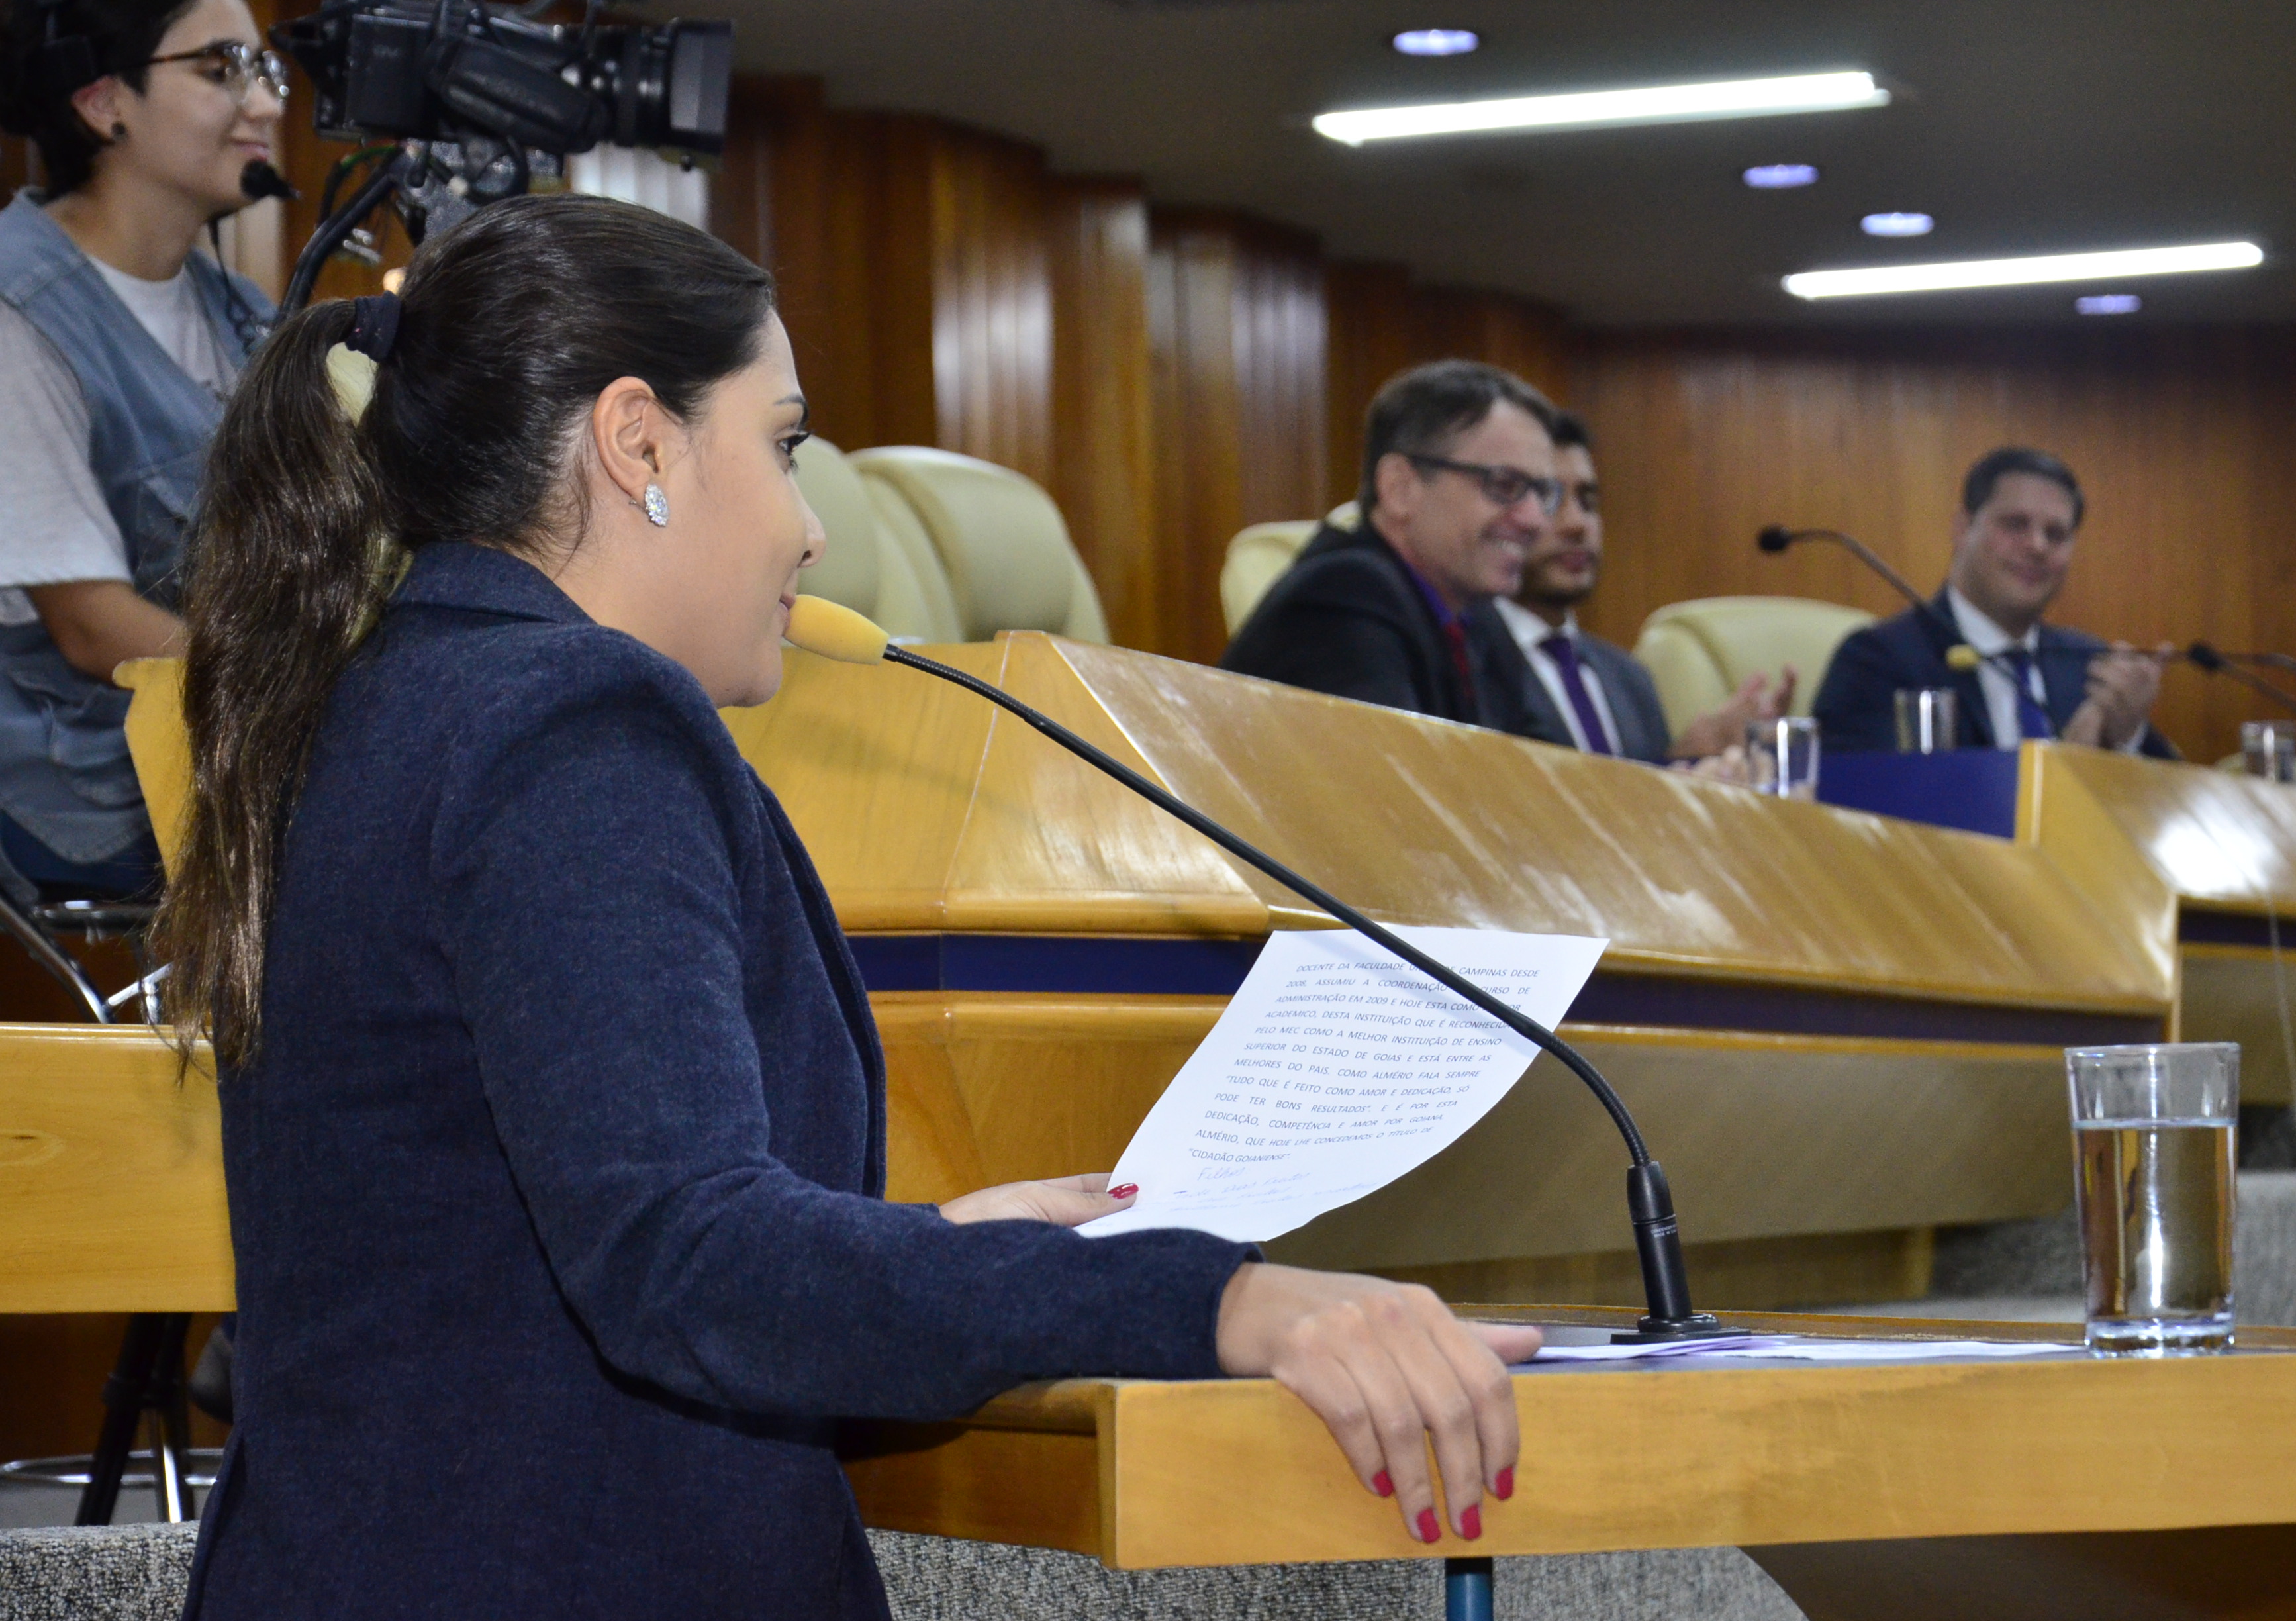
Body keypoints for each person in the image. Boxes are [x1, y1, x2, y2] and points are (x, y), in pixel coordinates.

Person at [153, 195, 1539, 1618]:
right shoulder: (573, 720)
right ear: (639, 444)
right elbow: (686, 1262)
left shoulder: (381, 695)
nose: (812, 530)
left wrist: (941, 1251)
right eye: (784, 443)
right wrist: (1218, 1300)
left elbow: (501, 1242)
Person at [0, 0, 280, 901]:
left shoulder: (238, 309)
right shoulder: (16, 307)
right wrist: (307, 699)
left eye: (265, 71)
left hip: (223, 741)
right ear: (102, 102)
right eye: (222, 69)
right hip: (85, 778)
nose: (267, 103)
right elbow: (91, 627)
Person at [1219, 359, 1555, 730]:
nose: (1535, 520)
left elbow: (1544, 758)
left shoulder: (1481, 620)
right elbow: (1393, 766)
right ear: (1400, 488)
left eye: (1542, 493)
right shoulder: (1344, 596)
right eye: (1505, 485)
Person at [1812, 447, 2177, 758]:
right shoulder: (1878, 660)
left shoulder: (2090, 667)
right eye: (2015, 524)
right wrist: (2069, 768)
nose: (2038, 546)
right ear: (1962, 528)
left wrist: (2126, 737)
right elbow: (1863, 801)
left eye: (2056, 534)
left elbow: (2174, 800)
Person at [1478, 411, 1792, 765]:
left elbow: (1638, 795)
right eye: (1550, 498)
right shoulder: (1470, 662)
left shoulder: (1630, 678)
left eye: (1588, 502)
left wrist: (1691, 757)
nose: (1578, 524)